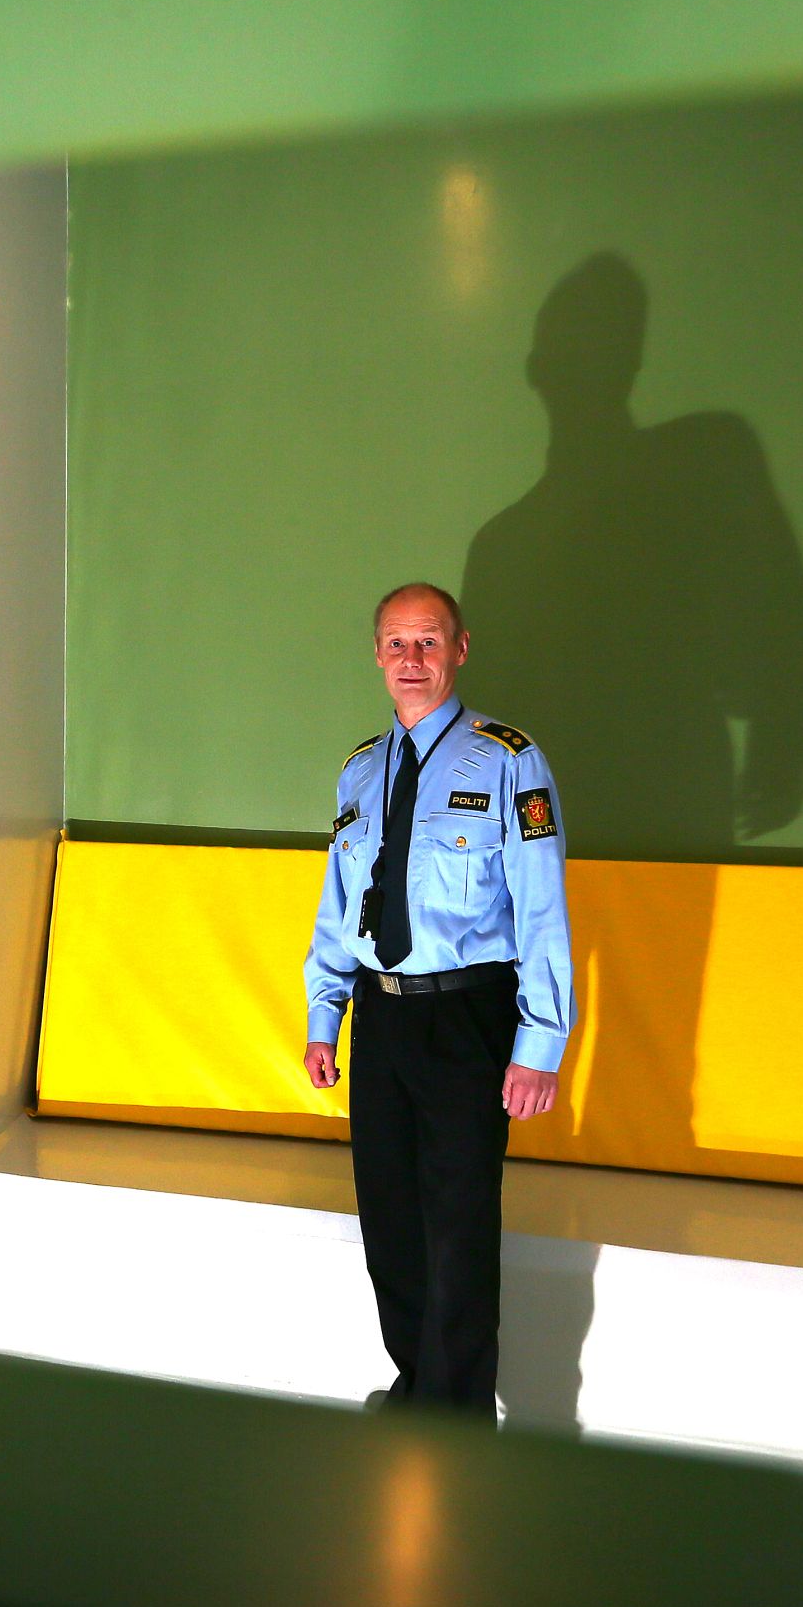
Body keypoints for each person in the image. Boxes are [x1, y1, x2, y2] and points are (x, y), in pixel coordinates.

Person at [302, 582, 575, 1419]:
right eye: (396, 643)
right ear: (377, 656)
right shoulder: (359, 770)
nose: (411, 659)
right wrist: (325, 1014)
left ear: (459, 649)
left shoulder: (509, 760)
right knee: (389, 1224)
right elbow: (339, 906)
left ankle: (456, 1422)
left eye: (428, 641)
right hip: (381, 1014)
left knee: (458, 1229)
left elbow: (541, 908)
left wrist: (539, 1044)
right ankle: (415, 1392)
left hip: (467, 1014)